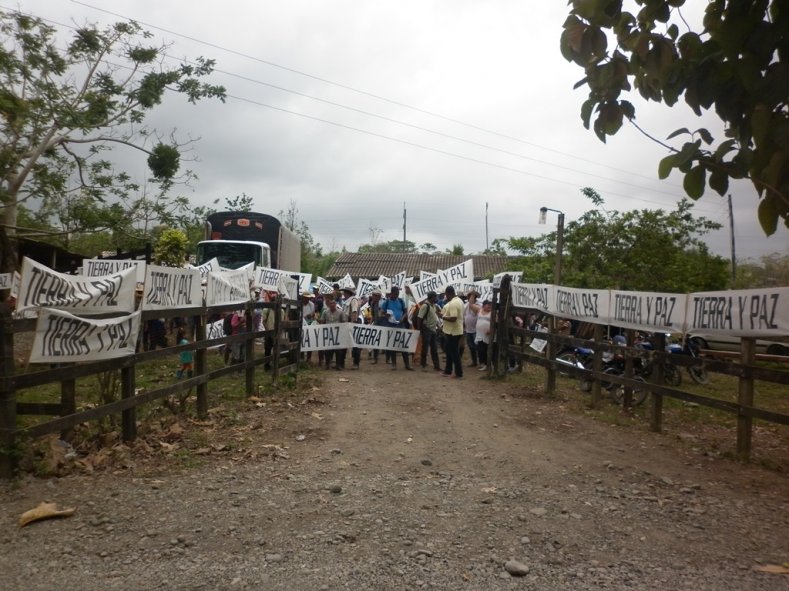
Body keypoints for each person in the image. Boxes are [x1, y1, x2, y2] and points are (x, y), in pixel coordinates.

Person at [379, 286, 413, 370]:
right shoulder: (386, 302)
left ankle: (407, 365)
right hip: (391, 326)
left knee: (404, 345)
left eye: (397, 294)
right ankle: (394, 364)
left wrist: (402, 318)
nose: (396, 295)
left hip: (401, 326)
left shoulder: (401, 301)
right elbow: (380, 314)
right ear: (391, 293)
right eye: (395, 294)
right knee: (392, 346)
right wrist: (385, 315)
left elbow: (405, 312)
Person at [440, 286, 464, 378]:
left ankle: (459, 373)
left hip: (453, 331)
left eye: (446, 295)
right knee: (449, 351)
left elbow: (454, 318)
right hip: (455, 330)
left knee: (454, 353)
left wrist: (443, 317)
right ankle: (448, 370)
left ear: (448, 293)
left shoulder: (453, 303)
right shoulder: (460, 301)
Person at [416, 290, 441, 371]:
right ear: (432, 297)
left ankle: (436, 366)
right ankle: (423, 364)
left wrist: (438, 326)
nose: (436, 298)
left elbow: (434, 317)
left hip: (433, 329)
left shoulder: (433, 306)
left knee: (434, 348)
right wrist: (419, 330)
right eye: (435, 296)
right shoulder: (425, 306)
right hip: (426, 329)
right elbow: (419, 318)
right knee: (425, 348)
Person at [320, 296, 347, 369]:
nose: (332, 305)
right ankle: (327, 364)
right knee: (328, 350)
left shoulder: (340, 312)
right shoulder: (325, 312)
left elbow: (344, 322)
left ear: (336, 304)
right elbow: (322, 322)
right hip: (328, 333)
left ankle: (338, 365)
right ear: (329, 304)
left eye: (333, 303)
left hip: (338, 334)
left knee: (338, 350)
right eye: (330, 303)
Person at [342, 286, 362, 370]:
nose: (344, 294)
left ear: (348, 293)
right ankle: (341, 362)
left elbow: (354, 312)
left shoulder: (353, 300)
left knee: (355, 344)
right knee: (344, 343)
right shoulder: (347, 301)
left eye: (345, 292)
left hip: (353, 323)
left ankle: (356, 363)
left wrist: (352, 323)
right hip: (347, 323)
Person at [463, 290, 481, 367]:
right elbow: (464, 314)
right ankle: (474, 362)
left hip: (476, 330)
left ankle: (481, 362)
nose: (470, 298)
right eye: (469, 296)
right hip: (468, 330)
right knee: (471, 347)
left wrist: (471, 302)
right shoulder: (466, 305)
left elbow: (474, 309)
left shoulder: (479, 304)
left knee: (478, 347)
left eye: (471, 296)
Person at [474, 299, 493, 371]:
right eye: (488, 305)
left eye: (491, 305)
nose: (490, 306)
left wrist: (491, 330)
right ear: (484, 305)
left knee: (486, 349)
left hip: (488, 335)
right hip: (479, 334)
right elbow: (471, 304)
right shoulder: (479, 310)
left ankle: (487, 364)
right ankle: (483, 363)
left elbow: (496, 323)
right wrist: (472, 294)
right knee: (480, 349)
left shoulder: (493, 313)